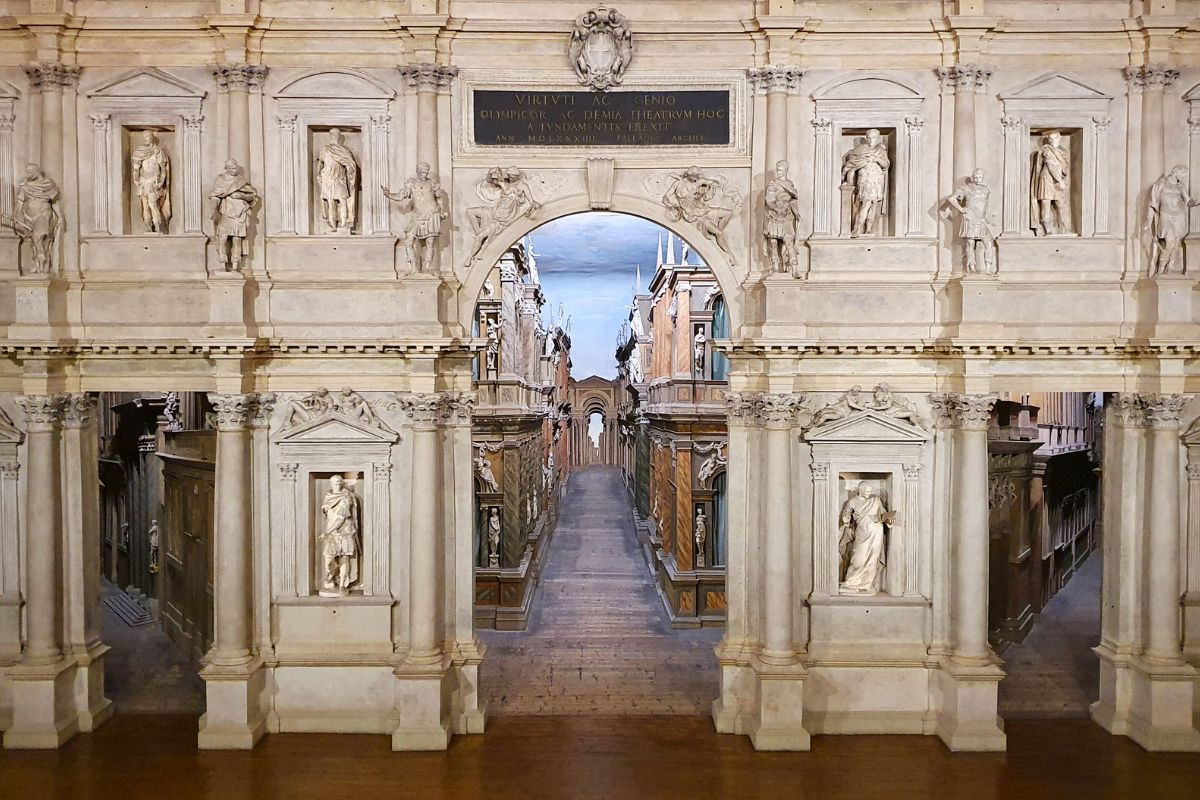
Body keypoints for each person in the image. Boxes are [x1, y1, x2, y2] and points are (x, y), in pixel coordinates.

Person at [383, 161, 448, 273]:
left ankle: (427, 268)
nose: (425, 173)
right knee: (409, 241)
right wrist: (388, 195)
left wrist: (442, 211)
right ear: (418, 170)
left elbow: (439, 198)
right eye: (423, 171)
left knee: (430, 243)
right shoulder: (411, 183)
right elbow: (400, 197)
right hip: (417, 215)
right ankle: (414, 267)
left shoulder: (432, 183)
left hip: (432, 214)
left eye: (427, 171)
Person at [3, 163, 62, 275]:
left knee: (38, 236)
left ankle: (41, 256)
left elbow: (54, 202)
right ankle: (39, 262)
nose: (28, 175)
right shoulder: (25, 185)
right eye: (27, 172)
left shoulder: (48, 184)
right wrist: (17, 215)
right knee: (34, 241)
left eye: (30, 172)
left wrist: (60, 217)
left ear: (37, 171)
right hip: (29, 217)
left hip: (44, 213)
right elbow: (20, 203)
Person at [838, 482, 895, 595]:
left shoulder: (876, 500)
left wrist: (889, 520)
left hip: (876, 531)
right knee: (857, 558)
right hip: (861, 532)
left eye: (870, 491)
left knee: (872, 559)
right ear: (860, 490)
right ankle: (850, 582)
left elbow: (883, 513)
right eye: (866, 491)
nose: (868, 493)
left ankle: (867, 584)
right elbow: (846, 514)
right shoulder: (852, 502)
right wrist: (846, 519)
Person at [1148, 165, 1199, 275]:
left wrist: (1195, 202)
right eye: (1183, 173)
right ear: (1176, 172)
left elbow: (1188, 201)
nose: (1184, 176)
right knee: (1170, 242)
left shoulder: (1181, 186)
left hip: (1179, 217)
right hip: (1165, 216)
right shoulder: (1161, 183)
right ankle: (1161, 267)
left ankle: (1169, 269)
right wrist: (1149, 221)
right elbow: (1154, 202)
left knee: (1175, 244)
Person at [947, 168, 998, 275]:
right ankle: (971, 268)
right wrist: (962, 210)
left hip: (981, 220)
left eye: (980, 177)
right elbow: (951, 199)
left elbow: (984, 206)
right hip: (970, 220)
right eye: (975, 177)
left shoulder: (986, 189)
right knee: (970, 244)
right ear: (972, 177)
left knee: (988, 243)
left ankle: (988, 269)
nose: (978, 179)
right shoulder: (966, 188)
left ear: (983, 177)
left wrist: (988, 218)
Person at [210, 159, 256, 271]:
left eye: (236, 167)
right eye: (233, 168)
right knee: (222, 238)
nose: (235, 170)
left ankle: (235, 266)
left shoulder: (241, 180)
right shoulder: (220, 180)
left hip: (240, 213)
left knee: (237, 240)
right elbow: (215, 196)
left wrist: (241, 196)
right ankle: (222, 263)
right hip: (226, 212)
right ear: (227, 168)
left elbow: (252, 197)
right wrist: (213, 209)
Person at [841, 129, 889, 237]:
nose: (871, 140)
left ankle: (868, 230)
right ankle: (857, 229)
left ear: (877, 138)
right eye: (869, 138)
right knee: (866, 204)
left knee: (874, 205)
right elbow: (850, 164)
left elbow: (885, 165)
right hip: (866, 180)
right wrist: (844, 176)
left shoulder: (880, 151)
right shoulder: (860, 150)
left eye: (874, 138)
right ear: (866, 138)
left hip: (877, 180)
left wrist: (876, 159)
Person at [320, 476, 359, 596]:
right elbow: (326, 513)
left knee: (344, 558)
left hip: (344, 532)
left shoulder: (346, 498)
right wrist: (325, 510)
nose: (337, 485)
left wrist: (327, 532)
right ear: (331, 484)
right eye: (335, 483)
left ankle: (342, 584)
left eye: (339, 483)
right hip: (332, 532)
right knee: (328, 559)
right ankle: (331, 574)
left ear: (342, 484)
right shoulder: (328, 495)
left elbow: (341, 519)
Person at [315, 128, 358, 232]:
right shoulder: (325, 149)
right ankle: (333, 226)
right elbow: (320, 163)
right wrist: (318, 174)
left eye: (336, 134)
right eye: (332, 134)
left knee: (343, 201)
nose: (334, 135)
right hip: (328, 179)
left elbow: (351, 164)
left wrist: (350, 168)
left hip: (340, 179)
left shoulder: (345, 150)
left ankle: (344, 225)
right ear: (330, 135)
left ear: (340, 136)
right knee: (331, 203)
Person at [763, 160, 800, 272]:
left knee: (789, 243)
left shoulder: (790, 185)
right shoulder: (773, 184)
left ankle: (794, 269)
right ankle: (775, 268)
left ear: (786, 170)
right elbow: (769, 200)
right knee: (773, 243)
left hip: (786, 218)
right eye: (777, 170)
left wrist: (797, 214)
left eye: (781, 170)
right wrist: (776, 209)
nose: (778, 172)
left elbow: (793, 201)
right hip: (775, 217)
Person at [1031, 130, 1071, 235]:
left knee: (1061, 204)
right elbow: (1051, 165)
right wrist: (1060, 181)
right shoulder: (1046, 150)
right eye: (1051, 139)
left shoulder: (1061, 151)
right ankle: (1047, 231)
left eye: (1055, 139)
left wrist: (1060, 179)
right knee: (1045, 204)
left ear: (1059, 138)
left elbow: (1062, 166)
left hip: (1056, 179)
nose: (1053, 141)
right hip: (1047, 179)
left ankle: (1065, 229)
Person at [131, 131, 171, 233]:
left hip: (154, 182)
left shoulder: (158, 151)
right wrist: (136, 179)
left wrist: (161, 182)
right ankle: (148, 226)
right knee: (145, 204)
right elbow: (136, 169)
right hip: (143, 182)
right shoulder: (139, 152)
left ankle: (157, 226)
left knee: (153, 204)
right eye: (145, 136)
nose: (146, 138)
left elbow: (163, 169)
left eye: (148, 136)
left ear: (152, 137)